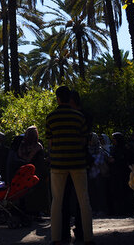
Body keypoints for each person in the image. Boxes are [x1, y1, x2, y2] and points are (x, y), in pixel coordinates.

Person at [45, 86, 94, 245]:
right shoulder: (79, 117)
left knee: (57, 201)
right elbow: (83, 140)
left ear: (58, 98)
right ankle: (88, 238)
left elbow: (50, 142)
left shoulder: (51, 117)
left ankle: (56, 238)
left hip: (58, 164)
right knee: (83, 200)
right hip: (78, 162)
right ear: (69, 98)